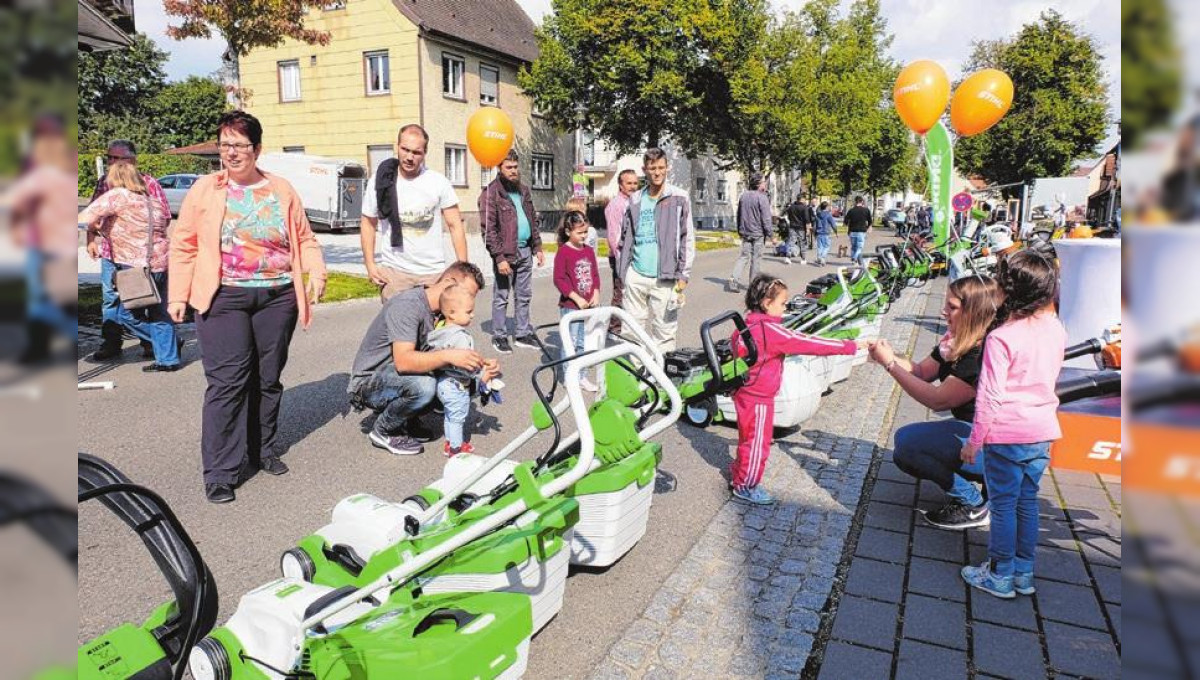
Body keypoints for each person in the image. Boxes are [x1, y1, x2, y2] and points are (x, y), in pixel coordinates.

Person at [168, 111, 328, 504]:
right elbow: (184, 243)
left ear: (257, 149)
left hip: (277, 297)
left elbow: (304, 238)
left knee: (267, 377)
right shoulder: (206, 189)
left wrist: (316, 271)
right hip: (224, 296)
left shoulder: (282, 189)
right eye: (225, 145)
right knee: (228, 382)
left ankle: (262, 450)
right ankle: (221, 470)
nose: (231, 153)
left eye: (240, 145)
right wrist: (177, 295)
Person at [959, 250, 1066, 599]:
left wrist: (974, 441)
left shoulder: (1002, 338)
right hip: (1042, 430)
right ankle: (1023, 572)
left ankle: (999, 573)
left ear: (1006, 291)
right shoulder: (1056, 329)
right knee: (1027, 502)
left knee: (1003, 506)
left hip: (1006, 434)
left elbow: (989, 397)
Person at [869, 275, 1002, 529]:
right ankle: (982, 490)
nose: (943, 312)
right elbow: (920, 372)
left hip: (994, 446)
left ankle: (974, 504)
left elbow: (937, 401)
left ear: (974, 311)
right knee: (904, 449)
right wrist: (884, 355)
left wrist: (890, 365)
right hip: (972, 433)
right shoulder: (957, 341)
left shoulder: (981, 353)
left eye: (952, 307)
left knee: (909, 445)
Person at [729, 275, 866, 505]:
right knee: (757, 443)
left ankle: (739, 473)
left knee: (747, 438)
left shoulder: (747, 325)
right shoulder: (772, 331)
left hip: (744, 392)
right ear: (766, 303)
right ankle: (746, 485)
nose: (784, 309)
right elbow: (809, 343)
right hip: (760, 397)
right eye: (782, 304)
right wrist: (849, 346)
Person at [348, 261, 497, 456]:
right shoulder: (408, 306)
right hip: (370, 382)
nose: (468, 301)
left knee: (454, 381)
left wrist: (479, 364)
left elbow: (445, 355)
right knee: (426, 385)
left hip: (397, 376)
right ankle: (384, 430)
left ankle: (407, 421)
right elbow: (404, 362)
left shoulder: (441, 315)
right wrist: (449, 356)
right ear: (448, 282)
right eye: (466, 293)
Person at [78, 161, 179, 372]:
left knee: (126, 314)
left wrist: (93, 226)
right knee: (160, 313)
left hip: (134, 267)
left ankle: (165, 344)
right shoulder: (152, 202)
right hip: (161, 263)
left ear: (117, 179)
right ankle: (168, 359)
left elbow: (83, 218)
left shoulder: (118, 196)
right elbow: (163, 224)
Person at [361, 123, 468, 300]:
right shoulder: (380, 181)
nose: (409, 157)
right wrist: (370, 265)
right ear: (398, 147)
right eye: (405, 149)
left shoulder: (438, 182)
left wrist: (463, 269)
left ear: (424, 153)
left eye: (416, 152)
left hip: (432, 273)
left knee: (431, 327)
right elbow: (368, 223)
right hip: (395, 273)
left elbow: (455, 225)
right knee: (396, 326)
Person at [615, 147, 694, 351]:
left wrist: (683, 274)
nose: (657, 173)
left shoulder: (679, 197)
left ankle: (661, 377)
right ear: (645, 170)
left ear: (667, 168)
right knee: (631, 331)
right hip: (636, 275)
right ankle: (634, 376)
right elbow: (625, 237)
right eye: (652, 168)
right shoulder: (635, 199)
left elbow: (687, 238)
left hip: (665, 278)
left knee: (665, 332)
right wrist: (623, 272)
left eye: (661, 168)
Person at [480, 149, 544, 354]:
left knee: (524, 295)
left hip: (525, 251)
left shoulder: (523, 190)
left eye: (516, 167)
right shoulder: (491, 193)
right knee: (501, 296)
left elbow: (532, 219)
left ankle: (522, 333)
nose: (513, 171)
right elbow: (489, 230)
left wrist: (538, 247)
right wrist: (499, 258)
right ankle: (499, 335)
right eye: (509, 167)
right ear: (499, 168)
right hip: (505, 255)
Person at [427, 286, 485, 457]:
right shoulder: (460, 338)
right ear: (451, 313)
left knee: (449, 415)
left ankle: (451, 442)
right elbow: (466, 366)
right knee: (458, 417)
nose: (472, 315)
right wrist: (481, 375)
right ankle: (456, 450)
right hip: (456, 384)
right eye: (468, 311)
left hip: (444, 382)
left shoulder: (441, 330)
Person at [553, 210, 601, 391]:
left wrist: (596, 292)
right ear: (568, 232)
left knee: (584, 342)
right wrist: (576, 297)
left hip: (588, 306)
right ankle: (569, 377)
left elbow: (595, 274)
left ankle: (582, 376)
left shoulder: (588, 251)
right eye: (579, 233)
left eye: (585, 232)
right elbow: (559, 279)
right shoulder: (564, 252)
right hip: (571, 307)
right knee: (571, 343)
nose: (583, 236)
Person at [604, 169, 639, 335]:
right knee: (620, 292)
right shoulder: (616, 205)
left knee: (631, 293)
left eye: (635, 183)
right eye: (628, 183)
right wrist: (621, 262)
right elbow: (613, 236)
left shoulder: (634, 202)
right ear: (620, 185)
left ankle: (626, 325)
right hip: (620, 257)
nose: (632, 186)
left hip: (633, 255)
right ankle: (614, 328)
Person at [728, 173, 772, 290]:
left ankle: (734, 279)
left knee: (743, 257)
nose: (765, 184)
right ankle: (753, 285)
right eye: (764, 181)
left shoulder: (743, 196)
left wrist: (739, 230)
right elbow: (766, 218)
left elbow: (739, 215)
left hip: (745, 232)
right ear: (759, 184)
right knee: (756, 259)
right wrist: (771, 234)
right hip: (758, 233)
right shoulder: (762, 198)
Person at [843, 196, 872, 264]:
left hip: (852, 231)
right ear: (862, 201)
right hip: (861, 232)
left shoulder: (851, 210)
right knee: (859, 247)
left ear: (855, 201)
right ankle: (855, 258)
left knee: (853, 247)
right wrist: (868, 227)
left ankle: (853, 258)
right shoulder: (866, 210)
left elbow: (845, 222)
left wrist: (849, 226)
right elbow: (870, 221)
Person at [784, 196, 810, 266]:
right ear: (802, 199)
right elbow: (807, 219)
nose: (805, 201)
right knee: (802, 242)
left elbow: (788, 216)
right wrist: (808, 229)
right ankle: (803, 259)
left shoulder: (791, 207)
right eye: (805, 199)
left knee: (791, 241)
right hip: (801, 227)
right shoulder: (804, 207)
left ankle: (788, 257)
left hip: (792, 226)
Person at [814, 201, 836, 266]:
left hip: (819, 233)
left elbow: (815, 224)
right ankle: (822, 257)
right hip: (825, 233)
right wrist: (835, 231)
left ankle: (819, 258)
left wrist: (815, 232)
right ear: (826, 207)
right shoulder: (828, 214)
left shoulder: (818, 214)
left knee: (820, 247)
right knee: (826, 246)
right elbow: (833, 224)